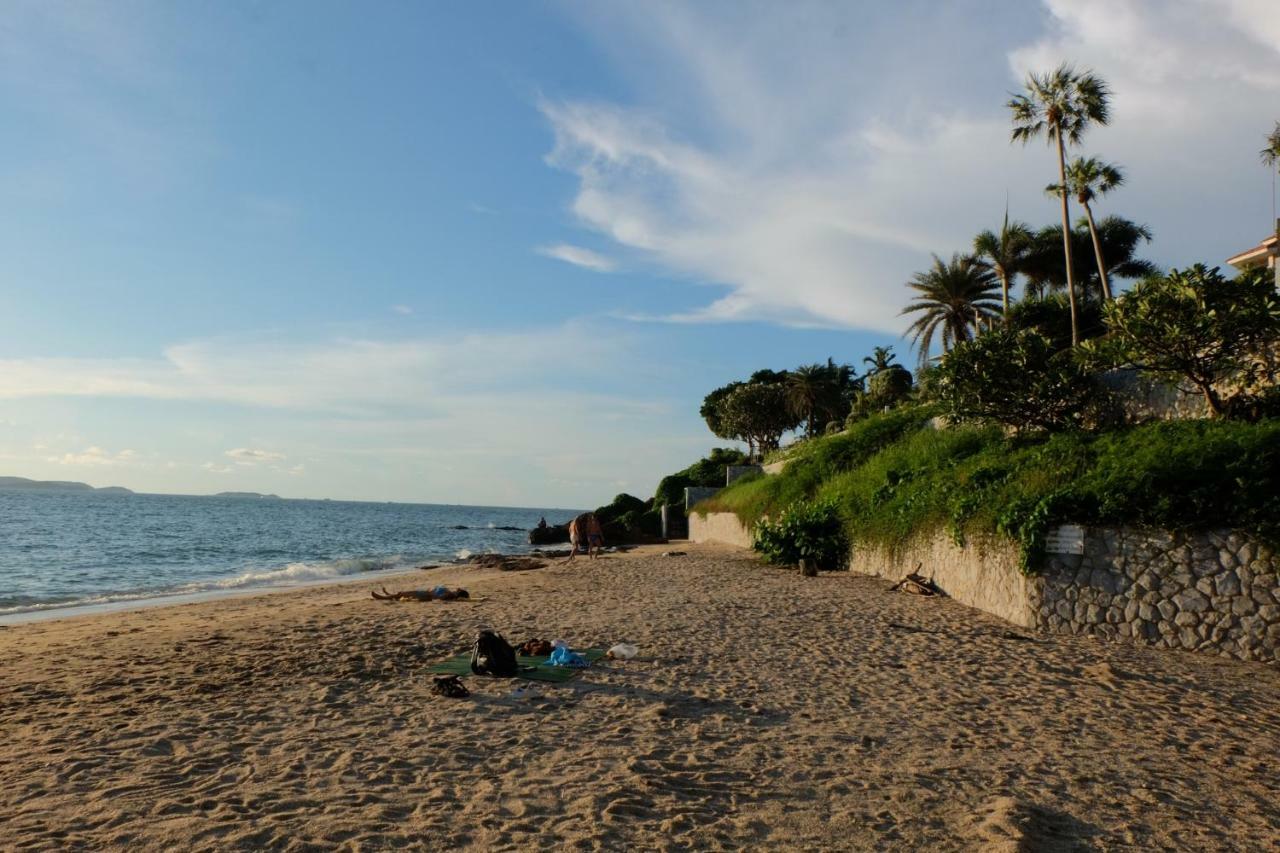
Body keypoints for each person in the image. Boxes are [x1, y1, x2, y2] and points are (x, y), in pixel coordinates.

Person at [371, 585, 469, 602]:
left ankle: (383, 597)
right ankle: (388, 594)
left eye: (459, 589)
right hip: (424, 592)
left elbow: (436, 597)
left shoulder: (448, 595)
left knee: (401, 594)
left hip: (424, 594)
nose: (457, 588)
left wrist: (432, 592)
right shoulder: (449, 592)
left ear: (458, 592)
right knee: (401, 594)